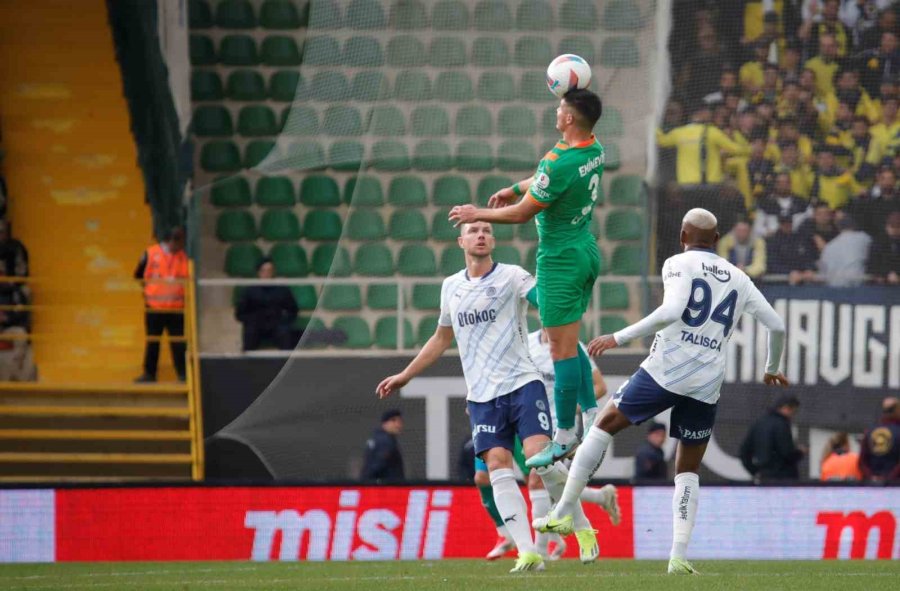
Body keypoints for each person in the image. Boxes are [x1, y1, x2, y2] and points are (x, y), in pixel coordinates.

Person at [533, 208, 788, 576]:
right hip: (706, 381)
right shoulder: (739, 278)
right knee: (687, 469)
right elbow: (776, 325)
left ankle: (562, 514)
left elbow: (671, 310)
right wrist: (771, 368)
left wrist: (618, 337)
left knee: (603, 424)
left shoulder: (677, 263)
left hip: (667, 369)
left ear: (683, 235)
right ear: (717, 241)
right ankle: (679, 556)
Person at [376, 221, 599, 573]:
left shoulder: (513, 276)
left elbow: (546, 302)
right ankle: (528, 552)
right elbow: (440, 338)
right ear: (460, 240)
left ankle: (584, 529)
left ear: (493, 240)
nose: (481, 234)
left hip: (523, 384)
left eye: (486, 230)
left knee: (539, 460)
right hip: (481, 396)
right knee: (496, 465)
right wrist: (406, 374)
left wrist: (566, 289)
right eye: (474, 230)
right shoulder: (451, 286)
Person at [447, 89, 606, 469]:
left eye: (560, 108)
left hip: (560, 259)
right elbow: (543, 180)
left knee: (560, 349)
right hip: (585, 248)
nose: (556, 111)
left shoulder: (559, 162)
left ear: (568, 118)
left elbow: (521, 215)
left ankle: (565, 435)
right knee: (571, 339)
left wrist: (476, 212)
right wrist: (517, 187)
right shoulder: (593, 148)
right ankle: (592, 410)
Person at [525, 328, 620, 559]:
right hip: (533, 422)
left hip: (562, 428)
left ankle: (538, 553)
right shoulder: (527, 343)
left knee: (539, 478)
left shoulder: (572, 344)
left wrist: (570, 410)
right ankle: (599, 498)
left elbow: (599, 387)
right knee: (552, 483)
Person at [134, 227, 188, 383]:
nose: (180, 247)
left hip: (176, 308)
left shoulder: (182, 257)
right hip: (154, 307)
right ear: (172, 241)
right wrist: (149, 291)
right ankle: (149, 374)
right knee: (153, 341)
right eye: (180, 243)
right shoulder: (150, 254)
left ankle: (183, 374)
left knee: (178, 343)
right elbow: (138, 274)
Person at [234, 258, 299, 351]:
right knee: (250, 332)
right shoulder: (249, 290)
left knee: (285, 332)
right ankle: (247, 362)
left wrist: (283, 319)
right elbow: (239, 314)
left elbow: (293, 310)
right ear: (258, 272)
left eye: (270, 271)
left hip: (277, 324)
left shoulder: (282, 289)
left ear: (274, 272)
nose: (267, 274)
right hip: (256, 325)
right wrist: (253, 319)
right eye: (263, 271)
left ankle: (286, 363)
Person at [739, 394, 805, 482]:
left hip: (764, 478)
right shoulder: (781, 424)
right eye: (793, 412)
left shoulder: (759, 423)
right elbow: (787, 453)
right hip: (784, 479)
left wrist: (755, 471)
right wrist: (800, 452)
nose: (792, 416)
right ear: (786, 408)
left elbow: (744, 452)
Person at [0, 266, 36, 381]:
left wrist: (5, 317)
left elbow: (22, 316)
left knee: (18, 334)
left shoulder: (16, 292)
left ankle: (16, 381)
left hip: (10, 330)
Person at [818, 214, 872, 286]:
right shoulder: (864, 238)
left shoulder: (829, 246)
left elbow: (823, 271)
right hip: (859, 288)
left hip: (835, 289)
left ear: (839, 227)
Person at [766, 214, 819, 283]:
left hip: (804, 280)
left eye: (789, 222)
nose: (787, 225)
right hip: (781, 282)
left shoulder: (800, 238)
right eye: (784, 223)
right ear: (780, 224)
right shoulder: (773, 241)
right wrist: (789, 272)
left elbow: (808, 257)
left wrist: (809, 269)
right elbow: (772, 264)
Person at [858, 396, 900, 482]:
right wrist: (889, 478)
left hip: (873, 486)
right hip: (895, 486)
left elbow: (862, 462)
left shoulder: (869, 431)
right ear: (897, 410)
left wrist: (871, 478)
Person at [360, 409, 405, 482]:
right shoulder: (385, 441)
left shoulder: (376, 438)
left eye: (400, 421)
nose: (398, 425)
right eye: (393, 421)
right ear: (384, 423)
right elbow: (377, 466)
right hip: (385, 489)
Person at [868, 210, 900, 283]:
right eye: (892, 226)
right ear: (887, 227)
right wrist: (886, 275)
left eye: (897, 227)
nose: (894, 230)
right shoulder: (878, 242)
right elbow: (872, 266)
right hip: (882, 285)